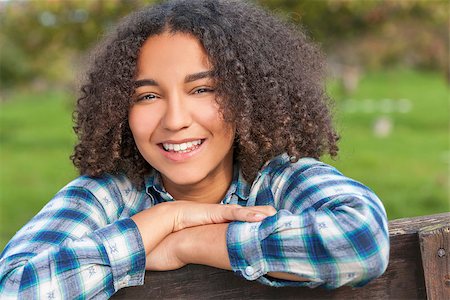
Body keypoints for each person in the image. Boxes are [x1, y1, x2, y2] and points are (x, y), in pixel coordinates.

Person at [0, 0, 390, 298]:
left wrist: (190, 242)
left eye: (202, 89)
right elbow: (13, 287)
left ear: (247, 96)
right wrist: (163, 220)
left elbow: (361, 240)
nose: (174, 119)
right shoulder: (106, 194)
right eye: (148, 96)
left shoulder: (279, 180)